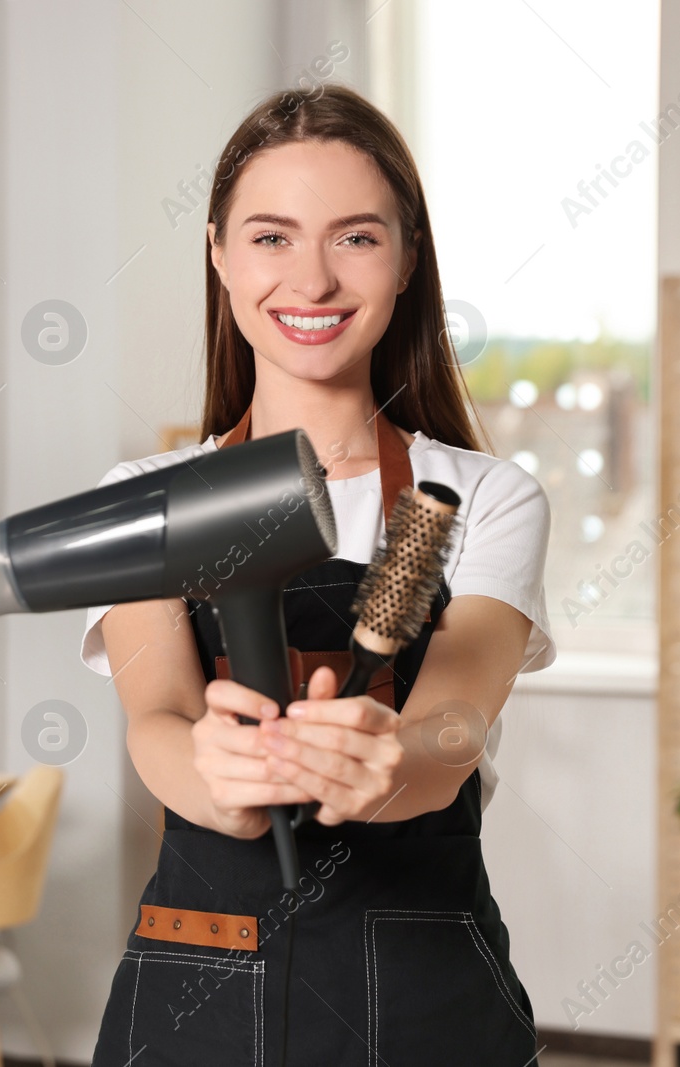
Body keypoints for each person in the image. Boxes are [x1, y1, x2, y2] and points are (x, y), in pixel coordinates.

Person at [80, 83, 555, 1066]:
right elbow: (157, 717)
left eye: (355, 237)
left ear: (406, 257)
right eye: (270, 237)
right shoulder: (147, 496)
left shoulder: (481, 496)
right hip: (197, 981)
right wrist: (219, 778)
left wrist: (389, 767)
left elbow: (451, 727)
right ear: (216, 251)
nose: (312, 278)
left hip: (421, 987)